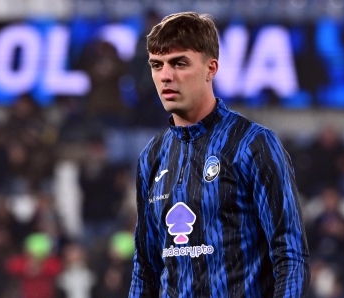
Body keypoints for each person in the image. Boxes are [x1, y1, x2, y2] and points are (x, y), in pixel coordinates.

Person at [129, 12, 310, 297]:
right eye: (157, 65)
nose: (165, 76)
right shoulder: (151, 157)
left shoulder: (254, 144)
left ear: (211, 69)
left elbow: (290, 256)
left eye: (179, 63)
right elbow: (145, 268)